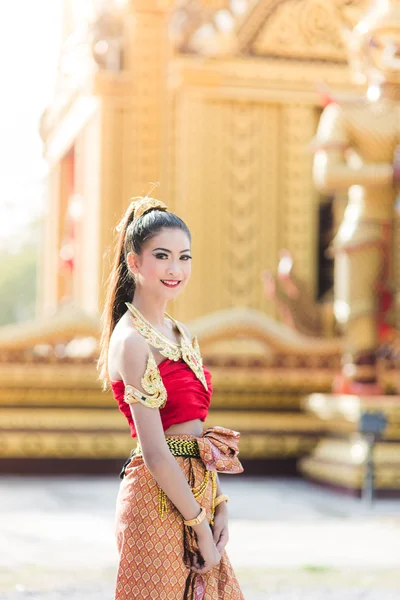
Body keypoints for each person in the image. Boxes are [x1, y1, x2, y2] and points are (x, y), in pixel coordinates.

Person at [97, 191, 245, 600]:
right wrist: (199, 525)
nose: (175, 268)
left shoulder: (182, 334)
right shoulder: (131, 341)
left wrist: (219, 506)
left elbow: (199, 436)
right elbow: (157, 451)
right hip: (155, 504)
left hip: (197, 495)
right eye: (162, 255)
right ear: (134, 262)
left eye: (185, 257)